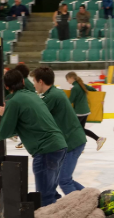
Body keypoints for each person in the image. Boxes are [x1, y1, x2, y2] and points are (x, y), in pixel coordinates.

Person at [0, 69, 66, 206]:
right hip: (59, 147)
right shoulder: (32, 95)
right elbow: (14, 129)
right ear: (23, 81)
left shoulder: (14, 101)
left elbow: (3, 133)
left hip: (46, 150)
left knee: (45, 197)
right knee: (50, 193)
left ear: (6, 87)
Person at [32, 67, 87, 197]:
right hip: (72, 141)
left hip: (72, 143)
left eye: (34, 81)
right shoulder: (55, 92)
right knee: (66, 179)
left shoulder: (52, 96)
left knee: (64, 180)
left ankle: (83, 207)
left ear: (40, 81)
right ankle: (93, 199)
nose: (33, 84)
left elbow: (35, 116)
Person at [65, 72, 106, 151]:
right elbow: (94, 90)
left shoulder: (75, 88)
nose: (67, 81)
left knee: (76, 129)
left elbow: (70, 100)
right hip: (86, 111)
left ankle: (81, 145)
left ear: (71, 78)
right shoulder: (82, 85)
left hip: (79, 112)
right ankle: (96, 139)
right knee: (81, 129)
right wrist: (99, 99)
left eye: (67, 79)